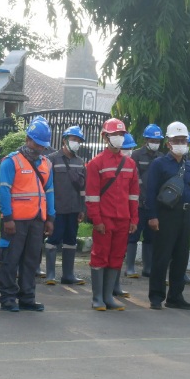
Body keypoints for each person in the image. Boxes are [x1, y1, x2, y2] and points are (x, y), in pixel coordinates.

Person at [0, 116, 55, 312]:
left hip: (37, 220)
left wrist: (50, 217)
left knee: (32, 260)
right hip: (16, 221)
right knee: (10, 259)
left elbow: (50, 191)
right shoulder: (10, 162)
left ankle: (27, 297)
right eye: (37, 144)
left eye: (43, 146)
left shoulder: (46, 164)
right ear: (28, 139)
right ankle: (8, 298)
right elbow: (3, 191)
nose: (40, 148)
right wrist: (7, 218)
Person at [146, 121, 190, 310]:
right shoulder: (159, 164)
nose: (180, 143)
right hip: (165, 215)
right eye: (177, 140)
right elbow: (150, 191)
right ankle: (156, 296)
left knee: (181, 257)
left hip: (185, 215)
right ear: (168, 142)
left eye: (183, 140)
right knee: (162, 257)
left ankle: (175, 296)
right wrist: (152, 216)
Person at [85, 119, 138, 311]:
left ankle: (108, 296)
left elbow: (133, 196)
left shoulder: (130, 164)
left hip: (123, 219)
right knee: (100, 256)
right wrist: (96, 220)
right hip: (104, 220)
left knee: (116, 257)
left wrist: (134, 219)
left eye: (121, 134)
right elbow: (91, 196)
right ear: (105, 137)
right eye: (115, 135)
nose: (119, 138)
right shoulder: (95, 163)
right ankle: (97, 297)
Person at [44, 126, 86, 286]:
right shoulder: (51, 159)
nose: (76, 143)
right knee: (53, 239)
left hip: (74, 209)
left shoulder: (80, 162)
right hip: (57, 209)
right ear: (65, 139)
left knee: (71, 240)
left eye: (78, 141)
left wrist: (82, 209)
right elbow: (46, 186)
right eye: (74, 139)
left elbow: (83, 188)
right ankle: (50, 275)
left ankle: (68, 275)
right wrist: (48, 210)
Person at [126, 124, 164, 278]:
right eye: (152, 139)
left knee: (151, 237)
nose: (155, 142)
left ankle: (148, 268)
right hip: (139, 204)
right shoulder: (136, 155)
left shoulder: (161, 157)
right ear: (146, 139)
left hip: (154, 205)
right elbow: (134, 179)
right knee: (133, 235)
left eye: (158, 140)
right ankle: (130, 267)